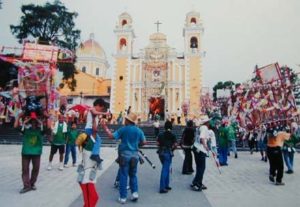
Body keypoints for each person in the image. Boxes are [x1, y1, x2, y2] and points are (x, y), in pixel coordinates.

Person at [111, 112, 146, 204]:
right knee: (133, 175)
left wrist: (105, 127)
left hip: (124, 155)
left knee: (123, 175)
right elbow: (144, 142)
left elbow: (112, 136)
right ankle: (134, 193)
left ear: (128, 120)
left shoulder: (123, 129)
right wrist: (137, 145)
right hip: (135, 155)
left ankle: (123, 197)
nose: (124, 120)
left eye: (125, 119)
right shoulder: (139, 130)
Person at [14, 115, 46, 193]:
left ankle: (32, 183)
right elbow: (15, 126)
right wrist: (20, 118)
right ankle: (26, 186)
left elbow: (47, 127)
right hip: (26, 152)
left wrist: (37, 119)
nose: (34, 123)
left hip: (36, 152)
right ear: (30, 123)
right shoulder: (26, 129)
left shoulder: (41, 130)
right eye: (32, 122)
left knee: (36, 168)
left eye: (35, 122)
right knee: (25, 169)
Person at [76, 132, 100, 207]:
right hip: (86, 179)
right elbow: (95, 133)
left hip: (88, 177)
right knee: (92, 199)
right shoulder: (87, 149)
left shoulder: (88, 149)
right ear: (86, 142)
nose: (91, 139)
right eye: (89, 138)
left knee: (88, 202)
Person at [157, 120, 177, 193]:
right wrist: (172, 149)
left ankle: (166, 185)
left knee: (166, 168)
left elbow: (157, 143)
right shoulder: (172, 135)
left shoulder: (160, 134)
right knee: (165, 169)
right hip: (168, 152)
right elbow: (175, 145)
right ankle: (162, 187)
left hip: (161, 153)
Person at [85, 98, 107, 164]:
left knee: (97, 140)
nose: (101, 110)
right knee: (98, 140)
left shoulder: (95, 113)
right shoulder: (92, 109)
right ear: (97, 105)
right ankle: (94, 155)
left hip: (91, 129)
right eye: (101, 108)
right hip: (89, 129)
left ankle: (95, 154)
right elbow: (95, 112)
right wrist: (104, 113)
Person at [191, 116, 210, 191]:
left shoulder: (199, 127)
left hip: (196, 147)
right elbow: (202, 138)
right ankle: (197, 183)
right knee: (201, 167)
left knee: (199, 167)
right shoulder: (204, 128)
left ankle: (196, 181)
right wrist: (206, 146)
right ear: (206, 122)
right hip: (200, 149)